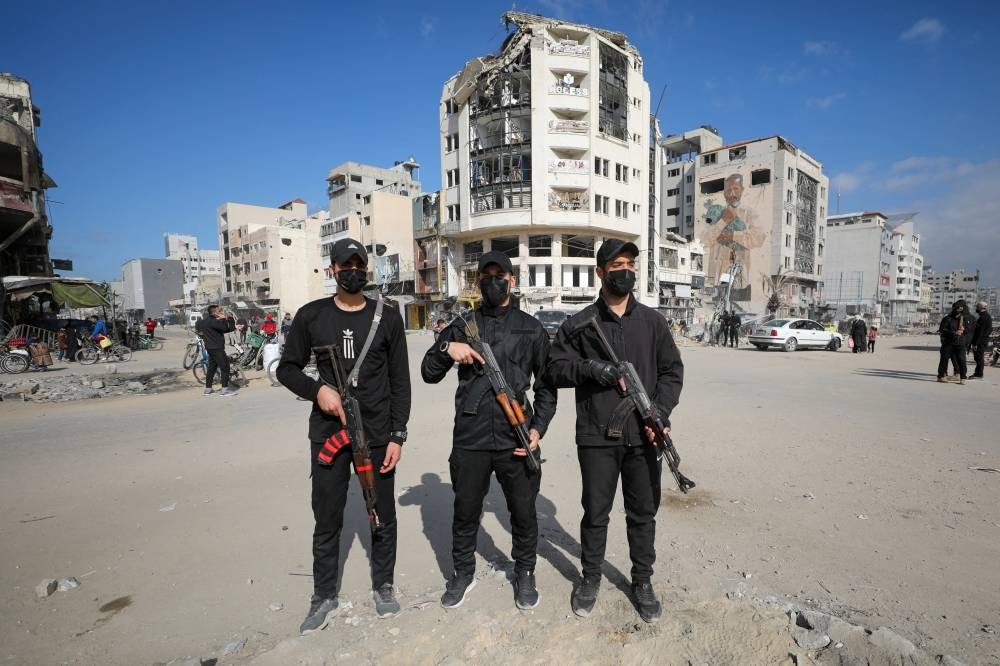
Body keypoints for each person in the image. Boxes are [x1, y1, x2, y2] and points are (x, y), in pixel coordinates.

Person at [276, 237, 411, 634]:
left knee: (381, 511)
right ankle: (324, 595)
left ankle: (383, 585)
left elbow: (400, 380)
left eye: (359, 263)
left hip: (378, 431)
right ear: (331, 269)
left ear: (366, 269)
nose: (352, 270)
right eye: (345, 264)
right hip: (329, 432)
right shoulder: (311, 316)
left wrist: (398, 435)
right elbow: (287, 368)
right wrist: (317, 390)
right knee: (328, 516)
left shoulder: (387, 316)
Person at [546, 239, 684, 624]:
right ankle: (590, 578)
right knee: (596, 513)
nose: (626, 270)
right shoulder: (579, 325)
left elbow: (672, 372)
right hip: (596, 436)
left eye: (630, 263)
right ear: (601, 272)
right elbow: (554, 369)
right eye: (617, 263)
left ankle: (642, 581)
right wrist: (593, 369)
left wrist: (661, 411)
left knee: (643, 513)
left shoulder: (653, 322)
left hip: (644, 436)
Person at [420, 251, 557, 611]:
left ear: (512, 280)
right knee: (465, 511)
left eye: (501, 275)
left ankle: (524, 572)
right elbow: (428, 372)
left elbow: (548, 386)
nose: (494, 280)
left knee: (523, 511)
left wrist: (538, 428)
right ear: (477, 280)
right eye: (487, 274)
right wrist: (449, 347)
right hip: (471, 437)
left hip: (516, 436)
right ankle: (462, 573)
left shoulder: (531, 328)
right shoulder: (462, 325)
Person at [195, 305, 237, 396]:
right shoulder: (214, 321)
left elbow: (221, 330)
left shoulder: (204, 322)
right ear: (215, 312)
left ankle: (208, 389)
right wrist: (228, 318)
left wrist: (234, 326)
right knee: (225, 367)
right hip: (217, 348)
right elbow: (225, 328)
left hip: (210, 348)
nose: (221, 312)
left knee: (212, 368)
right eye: (219, 311)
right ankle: (224, 390)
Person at [937, 300, 970, 384]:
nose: (959, 312)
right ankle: (941, 376)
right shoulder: (947, 318)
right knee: (944, 359)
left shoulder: (965, 319)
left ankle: (963, 377)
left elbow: (968, 330)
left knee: (962, 360)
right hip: (948, 342)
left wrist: (963, 330)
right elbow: (942, 329)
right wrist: (953, 333)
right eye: (957, 309)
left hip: (960, 343)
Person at [970, 301, 992, 379]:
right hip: (982, 340)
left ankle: (979, 374)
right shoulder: (985, 316)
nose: (976, 308)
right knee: (978, 357)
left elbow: (980, 332)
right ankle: (978, 373)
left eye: (977, 307)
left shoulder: (984, 317)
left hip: (981, 341)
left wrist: (976, 343)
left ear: (980, 308)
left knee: (979, 357)